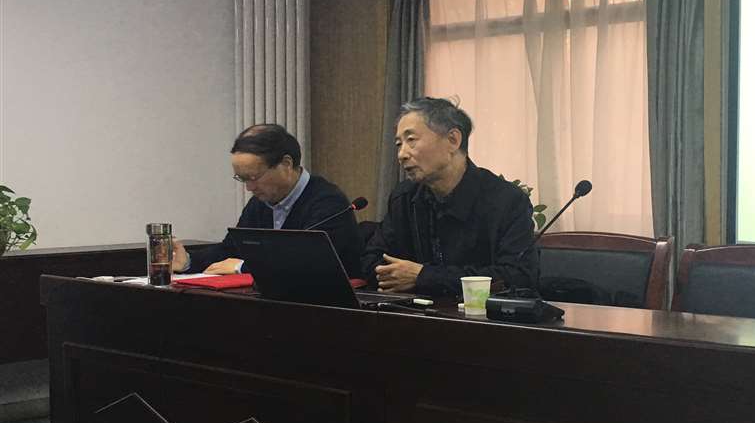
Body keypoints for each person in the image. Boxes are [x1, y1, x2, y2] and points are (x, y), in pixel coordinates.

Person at [362, 97, 538, 296]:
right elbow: (371, 259)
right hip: (415, 312)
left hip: (480, 314)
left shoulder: (506, 200)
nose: (401, 154)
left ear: (453, 140)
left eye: (411, 140)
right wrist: (398, 276)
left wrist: (424, 277)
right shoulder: (404, 198)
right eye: (398, 144)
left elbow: (518, 276)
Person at [173, 124, 362, 277]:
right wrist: (188, 261)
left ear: (286, 164)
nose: (249, 187)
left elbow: (310, 264)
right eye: (242, 178)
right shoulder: (260, 202)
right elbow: (231, 250)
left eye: (253, 177)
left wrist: (242, 268)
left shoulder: (329, 203)